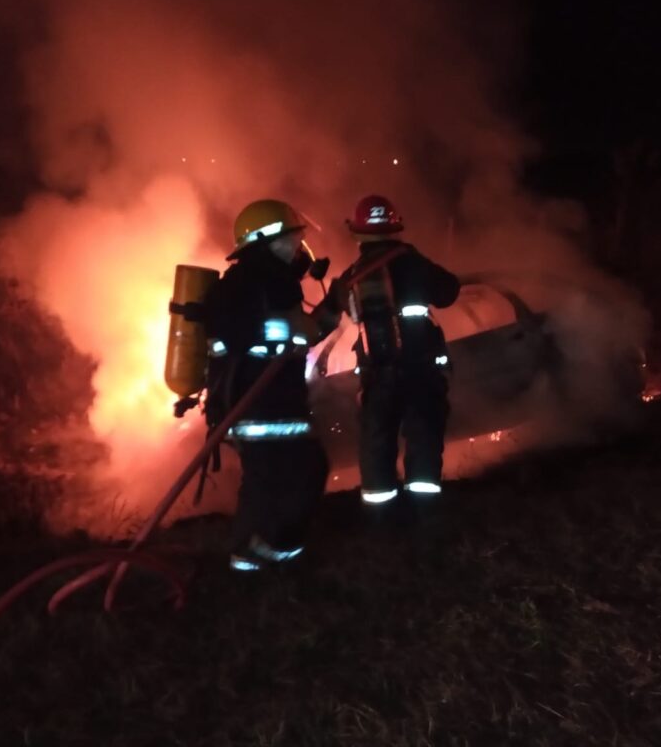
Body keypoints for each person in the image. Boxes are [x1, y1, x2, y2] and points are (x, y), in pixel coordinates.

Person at [174, 199, 335, 571]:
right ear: (269, 241)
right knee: (305, 470)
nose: (298, 247)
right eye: (292, 239)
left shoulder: (242, 281)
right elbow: (304, 333)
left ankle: (249, 558)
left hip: (243, 402)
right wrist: (334, 305)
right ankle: (271, 551)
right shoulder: (270, 282)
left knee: (265, 479)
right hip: (267, 402)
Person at [316, 194, 460, 505]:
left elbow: (319, 324)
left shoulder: (350, 278)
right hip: (422, 370)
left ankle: (381, 510)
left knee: (377, 442)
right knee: (423, 435)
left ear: (357, 233)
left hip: (378, 375)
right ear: (395, 228)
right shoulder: (414, 263)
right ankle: (424, 509)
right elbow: (449, 292)